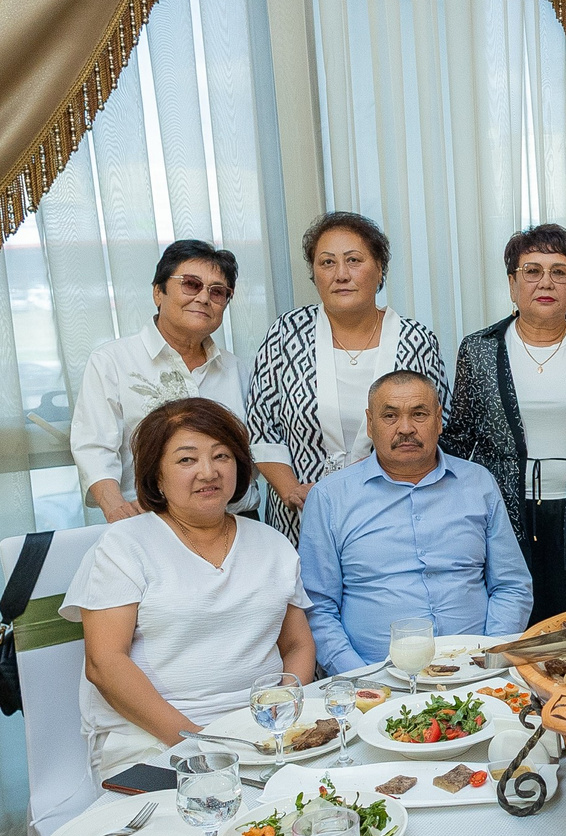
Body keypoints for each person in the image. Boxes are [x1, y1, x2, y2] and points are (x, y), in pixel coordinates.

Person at [65, 400, 315, 776]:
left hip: (258, 731)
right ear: (156, 475)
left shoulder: (272, 543)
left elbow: (297, 644)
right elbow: (104, 664)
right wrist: (197, 742)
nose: (208, 472)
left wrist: (281, 709)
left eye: (221, 456)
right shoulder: (124, 545)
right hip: (152, 738)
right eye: (186, 460)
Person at [440, 223, 566, 623]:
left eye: (559, 271)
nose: (545, 281)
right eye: (532, 270)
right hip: (503, 514)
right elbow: (457, 439)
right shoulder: (478, 351)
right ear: (513, 284)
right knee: (514, 621)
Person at [296, 369, 531, 673]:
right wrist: (359, 677)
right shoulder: (330, 497)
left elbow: (512, 585)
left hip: (476, 673)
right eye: (390, 416)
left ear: (439, 419)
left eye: (419, 414)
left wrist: (489, 658)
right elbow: (318, 607)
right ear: (370, 423)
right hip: (375, 675)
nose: (405, 428)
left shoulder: (477, 482)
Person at [247, 211, 448, 541]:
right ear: (314, 273)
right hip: (300, 515)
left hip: (393, 509)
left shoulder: (416, 340)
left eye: (354, 260)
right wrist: (293, 491)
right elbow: (260, 427)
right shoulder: (285, 334)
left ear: (379, 269)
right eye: (327, 263)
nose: (341, 274)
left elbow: (438, 424)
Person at [71, 240, 263, 520]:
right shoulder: (112, 361)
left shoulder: (236, 370)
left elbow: (255, 450)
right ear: (158, 292)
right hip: (150, 522)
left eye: (217, 292)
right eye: (191, 284)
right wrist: (114, 507)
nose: (204, 298)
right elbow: (94, 446)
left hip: (235, 521)